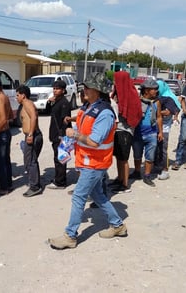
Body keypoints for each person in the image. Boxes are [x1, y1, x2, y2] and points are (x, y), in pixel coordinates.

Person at [48, 73, 127, 250]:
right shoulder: (90, 106)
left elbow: (94, 141)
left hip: (95, 163)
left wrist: (74, 134)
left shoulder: (105, 113)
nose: (84, 89)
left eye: (88, 87)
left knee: (78, 197)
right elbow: (83, 120)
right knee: (98, 195)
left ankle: (70, 236)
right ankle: (118, 225)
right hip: (87, 161)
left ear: (98, 91)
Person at [109, 70, 142, 193]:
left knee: (124, 158)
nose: (114, 82)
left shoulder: (131, 94)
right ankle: (120, 178)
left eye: (116, 80)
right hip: (117, 130)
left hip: (126, 130)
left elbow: (135, 114)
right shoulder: (116, 93)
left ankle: (125, 184)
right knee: (118, 156)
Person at [130, 78, 163, 187]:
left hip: (152, 134)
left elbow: (159, 117)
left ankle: (147, 175)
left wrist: (160, 132)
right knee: (137, 155)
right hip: (138, 133)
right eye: (154, 89)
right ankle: (137, 172)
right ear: (146, 91)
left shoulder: (157, 102)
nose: (156, 91)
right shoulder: (137, 101)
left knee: (150, 157)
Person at [15, 85, 43, 197]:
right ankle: (35, 183)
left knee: (30, 162)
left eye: (17, 95)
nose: (16, 98)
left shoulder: (27, 103)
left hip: (33, 135)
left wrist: (30, 134)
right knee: (32, 161)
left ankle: (35, 186)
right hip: (32, 135)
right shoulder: (24, 104)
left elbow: (33, 117)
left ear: (23, 95)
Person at [46, 79, 72, 189]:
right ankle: (58, 178)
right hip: (55, 134)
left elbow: (65, 121)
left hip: (61, 135)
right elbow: (48, 112)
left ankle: (60, 182)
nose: (55, 91)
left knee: (61, 158)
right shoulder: (56, 101)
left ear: (63, 90)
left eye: (57, 89)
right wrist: (49, 102)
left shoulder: (64, 103)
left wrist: (62, 137)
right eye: (54, 89)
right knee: (58, 157)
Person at [154, 80, 180, 180]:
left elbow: (168, 112)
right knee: (155, 148)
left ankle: (165, 169)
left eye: (157, 87)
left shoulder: (169, 97)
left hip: (164, 127)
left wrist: (156, 112)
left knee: (163, 149)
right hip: (154, 127)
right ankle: (156, 166)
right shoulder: (156, 97)